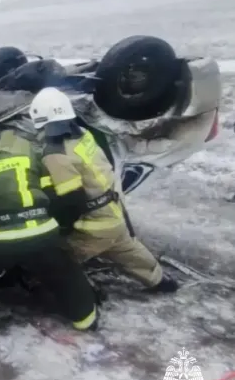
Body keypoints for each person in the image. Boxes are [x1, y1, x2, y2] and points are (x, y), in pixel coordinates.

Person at [29, 87, 179, 293]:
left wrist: (57, 229)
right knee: (128, 251)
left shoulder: (55, 153)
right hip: (114, 214)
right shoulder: (83, 134)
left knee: (57, 261)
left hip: (92, 227)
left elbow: (72, 199)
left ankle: (87, 298)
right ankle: (161, 281)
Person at [0, 113, 99, 333]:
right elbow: (52, 196)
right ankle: (86, 320)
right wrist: (60, 228)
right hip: (39, 235)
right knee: (67, 274)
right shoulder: (31, 160)